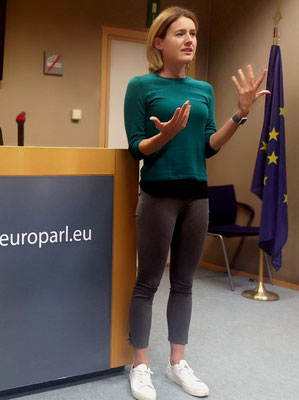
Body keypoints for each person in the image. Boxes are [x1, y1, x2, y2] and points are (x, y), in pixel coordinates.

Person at [124, 6, 269, 400]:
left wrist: (239, 116)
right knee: (147, 282)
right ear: (159, 42)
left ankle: (177, 363)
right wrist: (165, 135)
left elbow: (208, 146)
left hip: (197, 196)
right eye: (179, 33)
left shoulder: (203, 90)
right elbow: (137, 147)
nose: (189, 39)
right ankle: (140, 365)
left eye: (193, 33)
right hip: (157, 196)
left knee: (184, 284)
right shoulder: (140, 86)